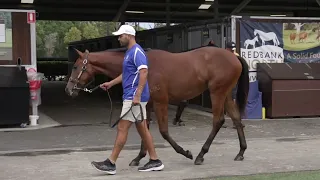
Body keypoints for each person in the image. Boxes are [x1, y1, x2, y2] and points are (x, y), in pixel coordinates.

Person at [91, 24, 164, 175]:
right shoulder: (129, 53)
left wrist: (137, 95)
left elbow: (144, 72)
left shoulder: (137, 52)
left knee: (122, 128)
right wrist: (110, 83)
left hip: (133, 98)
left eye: (121, 35)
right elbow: (127, 74)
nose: (118, 38)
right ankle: (155, 160)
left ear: (129, 36)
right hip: (132, 96)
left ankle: (111, 163)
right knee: (143, 130)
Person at [225, 41, 245, 129]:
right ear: (227, 49)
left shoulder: (236, 56)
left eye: (233, 50)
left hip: (232, 82)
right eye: (231, 50)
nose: (232, 51)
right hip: (225, 82)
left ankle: (236, 121)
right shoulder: (223, 56)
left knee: (232, 101)